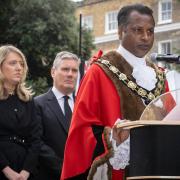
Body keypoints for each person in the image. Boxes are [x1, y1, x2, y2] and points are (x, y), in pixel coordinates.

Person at [61, 4, 169, 180]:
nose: (145, 37)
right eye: (138, 30)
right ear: (120, 32)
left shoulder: (160, 76)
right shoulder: (99, 72)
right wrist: (114, 140)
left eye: (150, 31)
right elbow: (82, 131)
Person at [34, 51, 80, 180]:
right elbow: (37, 142)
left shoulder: (83, 105)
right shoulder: (38, 104)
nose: (70, 74)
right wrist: (63, 169)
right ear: (53, 72)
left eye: (74, 70)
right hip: (50, 174)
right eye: (65, 69)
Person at [0, 45, 41, 180]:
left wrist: (26, 171)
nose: (19, 68)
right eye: (13, 63)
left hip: (25, 170)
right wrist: (6, 170)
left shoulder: (28, 100)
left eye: (21, 64)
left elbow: (35, 139)